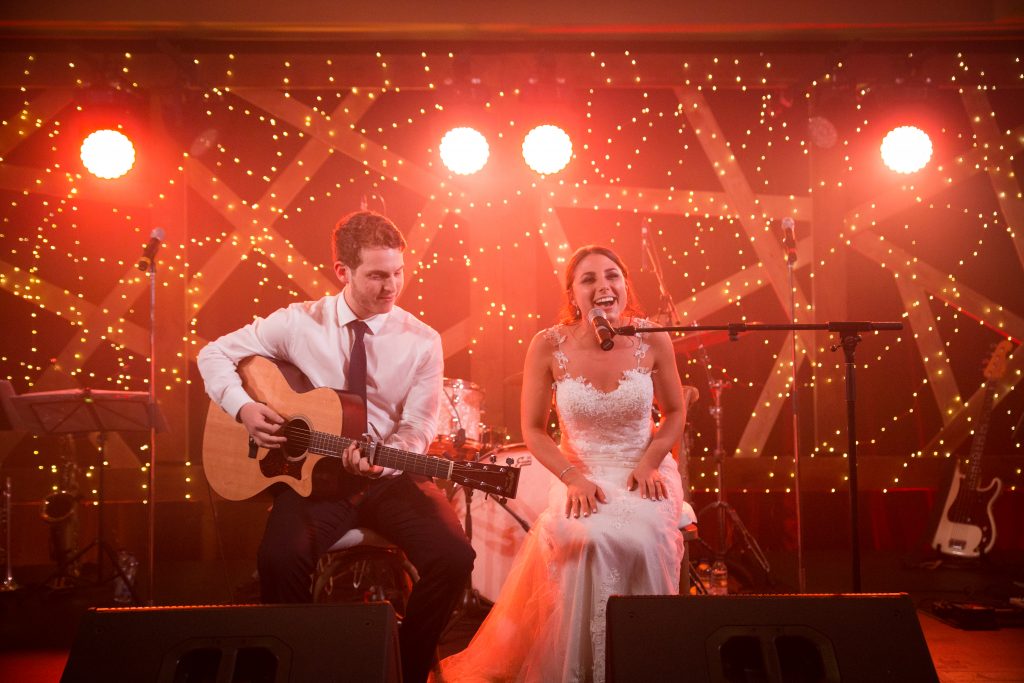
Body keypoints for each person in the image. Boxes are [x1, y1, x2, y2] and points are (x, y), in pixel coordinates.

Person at [197, 210, 475, 683]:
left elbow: (421, 421)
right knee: (279, 558)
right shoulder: (299, 322)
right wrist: (243, 407)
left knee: (455, 557)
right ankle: (298, 668)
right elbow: (213, 353)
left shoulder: (422, 340)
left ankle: (401, 670)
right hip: (315, 483)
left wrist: (385, 462)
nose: (392, 287)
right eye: (377, 276)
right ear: (342, 272)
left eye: (398, 273)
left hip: (392, 479)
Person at [439, 244, 688, 682]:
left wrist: (651, 461)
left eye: (612, 275)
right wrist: (572, 478)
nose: (603, 286)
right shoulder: (547, 344)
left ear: (625, 285)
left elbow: (676, 412)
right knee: (587, 538)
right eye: (588, 279)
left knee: (646, 539)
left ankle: (645, 665)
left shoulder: (652, 337)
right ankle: (583, 669)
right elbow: (533, 429)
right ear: (572, 294)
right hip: (581, 471)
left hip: (641, 466)